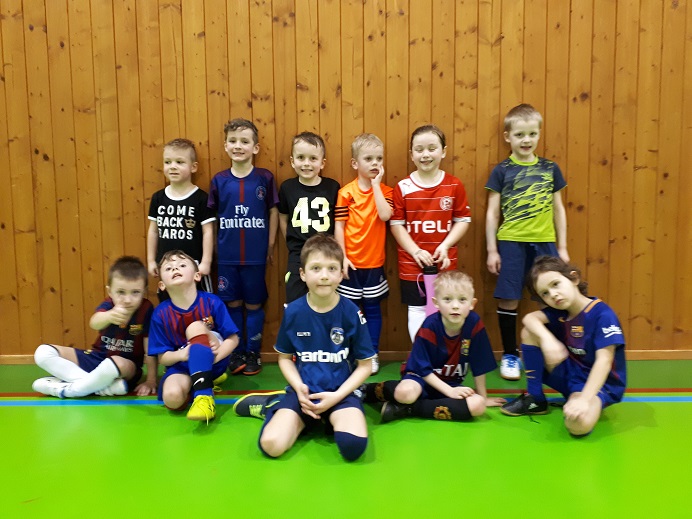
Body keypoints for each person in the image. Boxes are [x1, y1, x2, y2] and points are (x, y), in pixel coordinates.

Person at [234, 234, 375, 461]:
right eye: (316, 268)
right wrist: (299, 388)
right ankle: (272, 405)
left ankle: (325, 419)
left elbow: (365, 366)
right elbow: (284, 358)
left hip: (340, 394)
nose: (324, 276)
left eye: (332, 268)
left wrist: (337, 396)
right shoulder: (294, 312)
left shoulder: (351, 312)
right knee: (271, 445)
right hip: (303, 395)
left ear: (341, 273)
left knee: (353, 447)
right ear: (302, 274)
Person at [485, 104, 569, 380]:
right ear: (507, 137)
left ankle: (553, 351)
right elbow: (492, 213)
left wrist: (562, 247)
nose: (526, 140)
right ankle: (510, 354)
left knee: (552, 298)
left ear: (539, 134)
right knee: (509, 298)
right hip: (511, 243)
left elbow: (559, 209)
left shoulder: (550, 169)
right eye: (520, 134)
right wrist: (492, 250)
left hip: (545, 243)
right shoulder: (501, 171)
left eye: (532, 134)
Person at [500, 256, 626, 437]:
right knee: (530, 331)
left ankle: (582, 401)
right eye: (545, 293)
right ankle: (535, 398)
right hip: (570, 375)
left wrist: (584, 399)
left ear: (574, 278)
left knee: (577, 425)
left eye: (555, 284)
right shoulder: (559, 312)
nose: (553, 294)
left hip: (598, 385)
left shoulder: (603, 314)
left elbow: (604, 361)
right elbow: (530, 318)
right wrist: (547, 339)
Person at [362, 271, 506, 422]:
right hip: (420, 379)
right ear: (436, 303)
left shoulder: (474, 324)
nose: (455, 306)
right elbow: (422, 370)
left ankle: (409, 409)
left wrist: (483, 397)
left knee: (478, 405)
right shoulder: (429, 326)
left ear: (472, 304)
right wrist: (449, 392)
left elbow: (479, 363)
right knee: (405, 393)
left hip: (450, 382)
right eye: (447, 299)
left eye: (462, 300)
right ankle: (368, 390)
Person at [208, 119, 279, 376]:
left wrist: (270, 243)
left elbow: (273, 211)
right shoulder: (219, 180)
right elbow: (212, 219)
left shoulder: (265, 178)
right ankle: (236, 351)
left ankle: (253, 352)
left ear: (255, 147)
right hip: (226, 257)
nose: (238, 146)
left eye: (244, 141)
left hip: (255, 257)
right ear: (225, 145)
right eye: (233, 141)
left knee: (254, 305)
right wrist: (213, 250)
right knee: (232, 303)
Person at [390, 124, 471, 342]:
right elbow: (396, 225)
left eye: (432, 148)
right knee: (417, 309)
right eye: (419, 150)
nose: (425, 154)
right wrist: (415, 251)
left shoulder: (454, 185)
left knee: (445, 306)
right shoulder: (403, 187)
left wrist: (445, 245)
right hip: (411, 263)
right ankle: (422, 354)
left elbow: (463, 220)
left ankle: (442, 355)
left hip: (444, 261)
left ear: (443, 151)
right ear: (412, 155)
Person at [32, 257, 156, 398]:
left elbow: (150, 348)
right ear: (110, 291)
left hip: (125, 367)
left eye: (135, 292)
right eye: (121, 292)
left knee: (115, 362)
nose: (128, 300)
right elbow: (94, 322)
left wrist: (151, 381)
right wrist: (109, 316)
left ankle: (71, 390)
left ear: (144, 291)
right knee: (43, 352)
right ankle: (98, 387)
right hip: (96, 358)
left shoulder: (146, 309)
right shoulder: (109, 305)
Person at [148, 250, 240, 423]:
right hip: (182, 365)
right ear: (161, 285)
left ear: (197, 276)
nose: (175, 268)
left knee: (196, 326)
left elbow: (233, 339)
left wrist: (212, 358)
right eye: (168, 268)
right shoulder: (160, 314)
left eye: (182, 265)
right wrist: (182, 355)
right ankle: (203, 382)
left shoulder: (212, 301)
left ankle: (204, 397)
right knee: (172, 398)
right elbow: (163, 358)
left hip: (214, 359)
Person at [334, 133, 393, 374]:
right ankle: (351, 353)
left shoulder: (386, 191)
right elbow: (339, 226)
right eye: (368, 159)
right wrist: (343, 257)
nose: (375, 163)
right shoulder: (346, 193)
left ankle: (371, 354)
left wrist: (376, 185)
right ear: (355, 163)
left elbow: (385, 216)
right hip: (351, 263)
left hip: (374, 264)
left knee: (372, 310)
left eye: (379, 158)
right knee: (350, 311)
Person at [147, 138, 216, 300]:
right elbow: (153, 231)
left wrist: (206, 262)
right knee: (168, 306)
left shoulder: (201, 199)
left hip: (195, 268)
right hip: (167, 268)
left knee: (202, 307)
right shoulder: (158, 198)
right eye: (168, 162)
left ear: (193, 167)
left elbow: (208, 232)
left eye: (179, 162)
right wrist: (151, 260)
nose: (173, 166)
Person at [278, 132, 340, 303]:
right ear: (292, 161)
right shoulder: (287, 188)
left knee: (326, 297)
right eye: (301, 158)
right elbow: (283, 217)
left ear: (322, 163)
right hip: (298, 253)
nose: (306, 163)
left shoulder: (332, 187)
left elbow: (339, 220)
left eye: (313, 158)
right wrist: (291, 241)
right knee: (294, 298)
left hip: (327, 252)